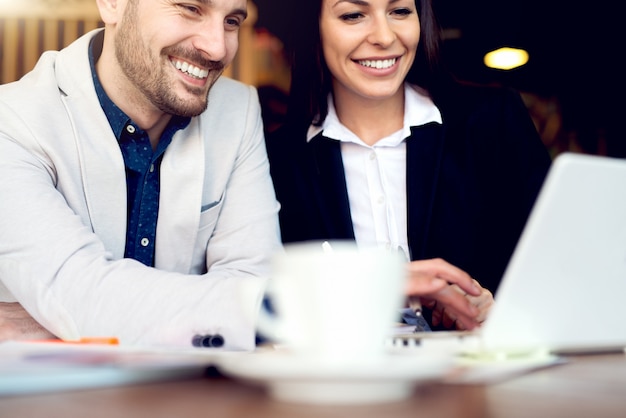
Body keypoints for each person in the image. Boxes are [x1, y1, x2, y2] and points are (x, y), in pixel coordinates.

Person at [0, 0, 281, 349]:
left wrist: (55, 318)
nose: (217, 47)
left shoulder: (238, 110)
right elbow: (256, 310)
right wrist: (79, 304)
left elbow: (260, 289)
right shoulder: (10, 121)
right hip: (47, 399)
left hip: (189, 395)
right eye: (191, 8)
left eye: (232, 21)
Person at [265, 0, 552, 330]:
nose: (385, 37)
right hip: (347, 378)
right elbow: (271, 302)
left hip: (477, 375)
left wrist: (501, 309)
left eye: (400, 11)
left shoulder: (492, 122)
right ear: (312, 27)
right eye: (353, 15)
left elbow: (560, 264)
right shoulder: (278, 162)